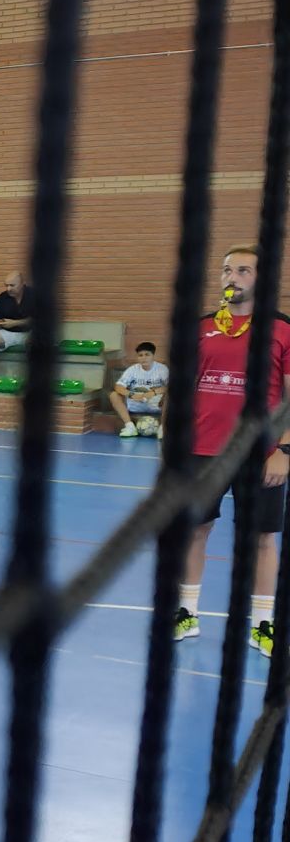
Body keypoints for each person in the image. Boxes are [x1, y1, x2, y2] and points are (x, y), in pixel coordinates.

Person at [171, 245, 290, 659]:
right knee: (195, 530)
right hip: (202, 451)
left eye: (243, 270)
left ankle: (262, 622)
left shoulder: (281, 329)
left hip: (261, 455)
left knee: (261, 538)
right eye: (226, 269)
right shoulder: (200, 326)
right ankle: (186, 611)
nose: (231, 276)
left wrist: (285, 450)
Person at [111, 342, 168, 439]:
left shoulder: (162, 369)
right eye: (140, 355)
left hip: (156, 404)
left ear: (153, 356)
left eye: (147, 355)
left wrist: (154, 392)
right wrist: (132, 395)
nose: (143, 358)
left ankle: (162, 429)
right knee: (114, 395)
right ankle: (130, 427)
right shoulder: (132, 370)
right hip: (136, 403)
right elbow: (118, 386)